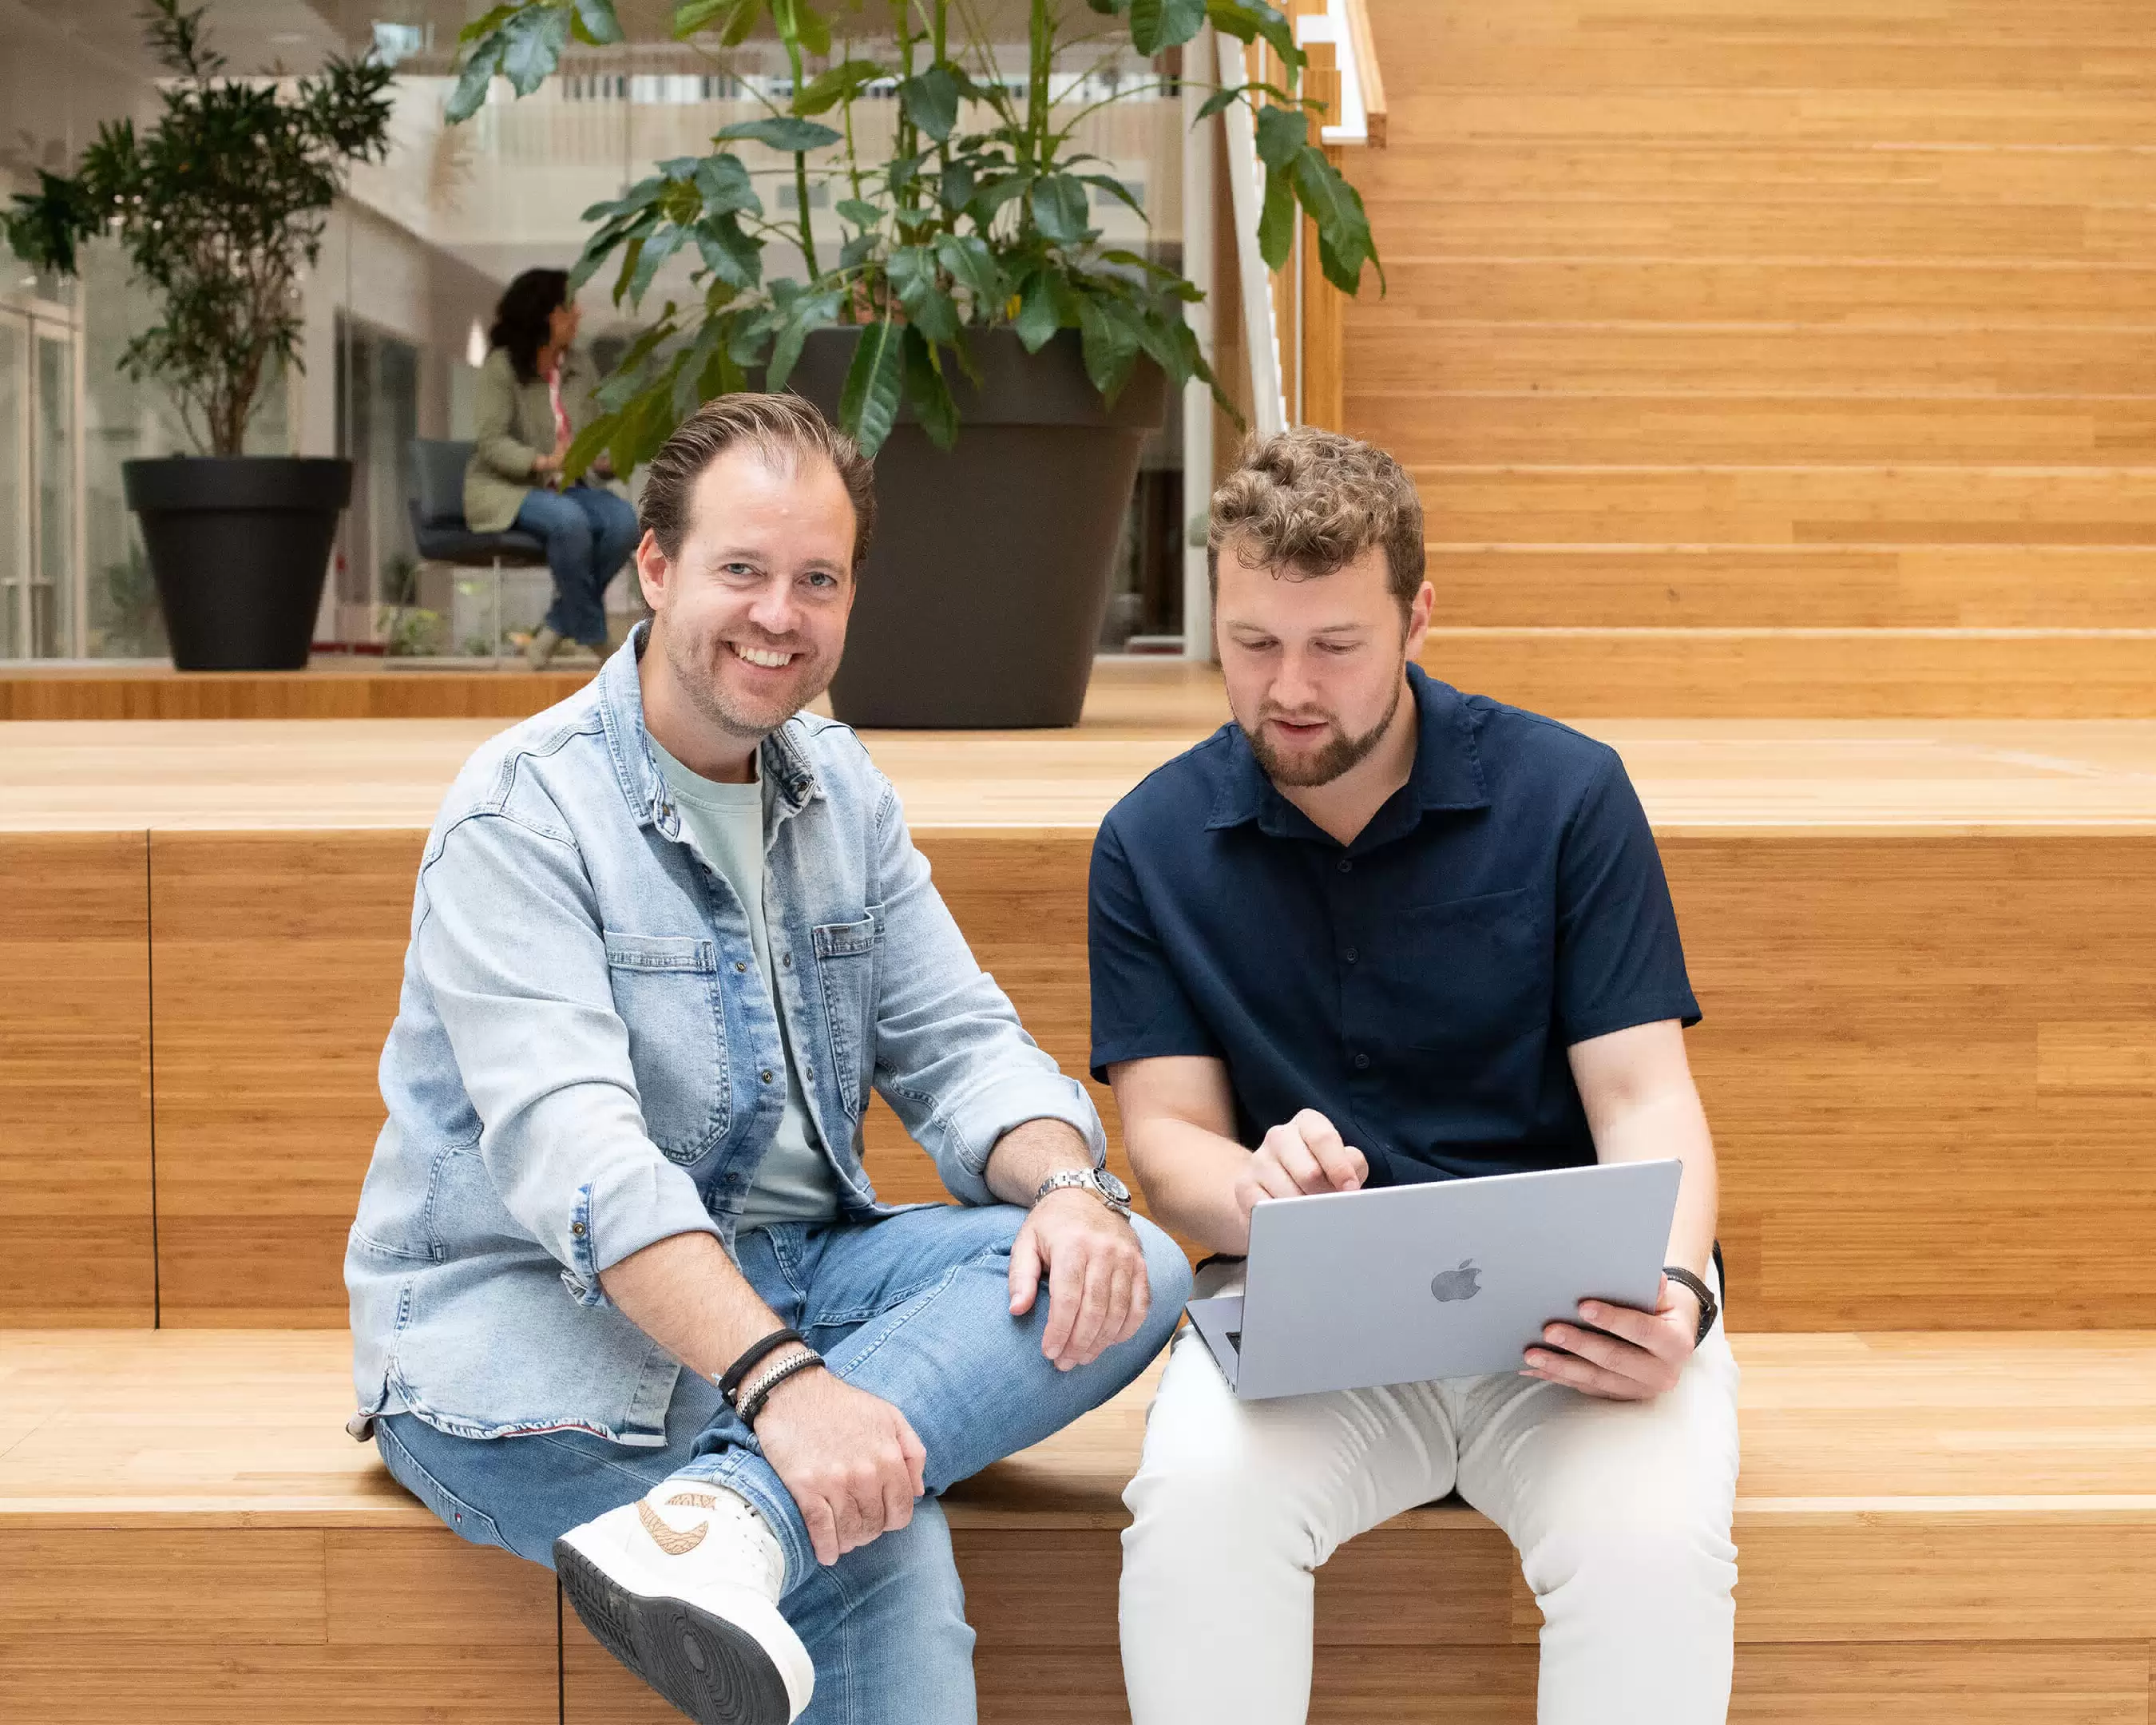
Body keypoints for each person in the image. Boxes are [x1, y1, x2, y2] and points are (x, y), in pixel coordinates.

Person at [348, 392, 1191, 1725]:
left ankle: (735, 1516)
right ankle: (775, 1490)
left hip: (789, 1280)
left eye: (818, 580)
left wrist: (1068, 1184)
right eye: (741, 570)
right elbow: (587, 1167)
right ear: (658, 567)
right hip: (540, 1347)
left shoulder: (836, 788)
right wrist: (793, 1394)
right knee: (871, 1521)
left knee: (1130, 1257)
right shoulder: (521, 817)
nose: (778, 616)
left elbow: (963, 1044)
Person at [1091, 428, 1740, 1724]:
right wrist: (1255, 1189)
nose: (1290, 688)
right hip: (1308, 1318)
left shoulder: (1569, 796)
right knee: (1194, 1515)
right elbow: (1168, 1139)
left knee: (1651, 1552)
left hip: (1575, 1324)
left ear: (1416, 617)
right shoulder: (1150, 840)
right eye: (1255, 643)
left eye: (1336, 645)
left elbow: (1646, 1099)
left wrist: (1672, 1295)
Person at [463, 267, 640, 668]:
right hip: (508, 487)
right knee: (569, 522)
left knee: (624, 522)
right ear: (546, 314)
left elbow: (594, 431)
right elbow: (490, 442)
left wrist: (602, 459)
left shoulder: (580, 365)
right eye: (569, 306)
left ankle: (554, 628)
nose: (578, 313)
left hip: (572, 485)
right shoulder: (502, 367)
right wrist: (544, 462)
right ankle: (597, 638)